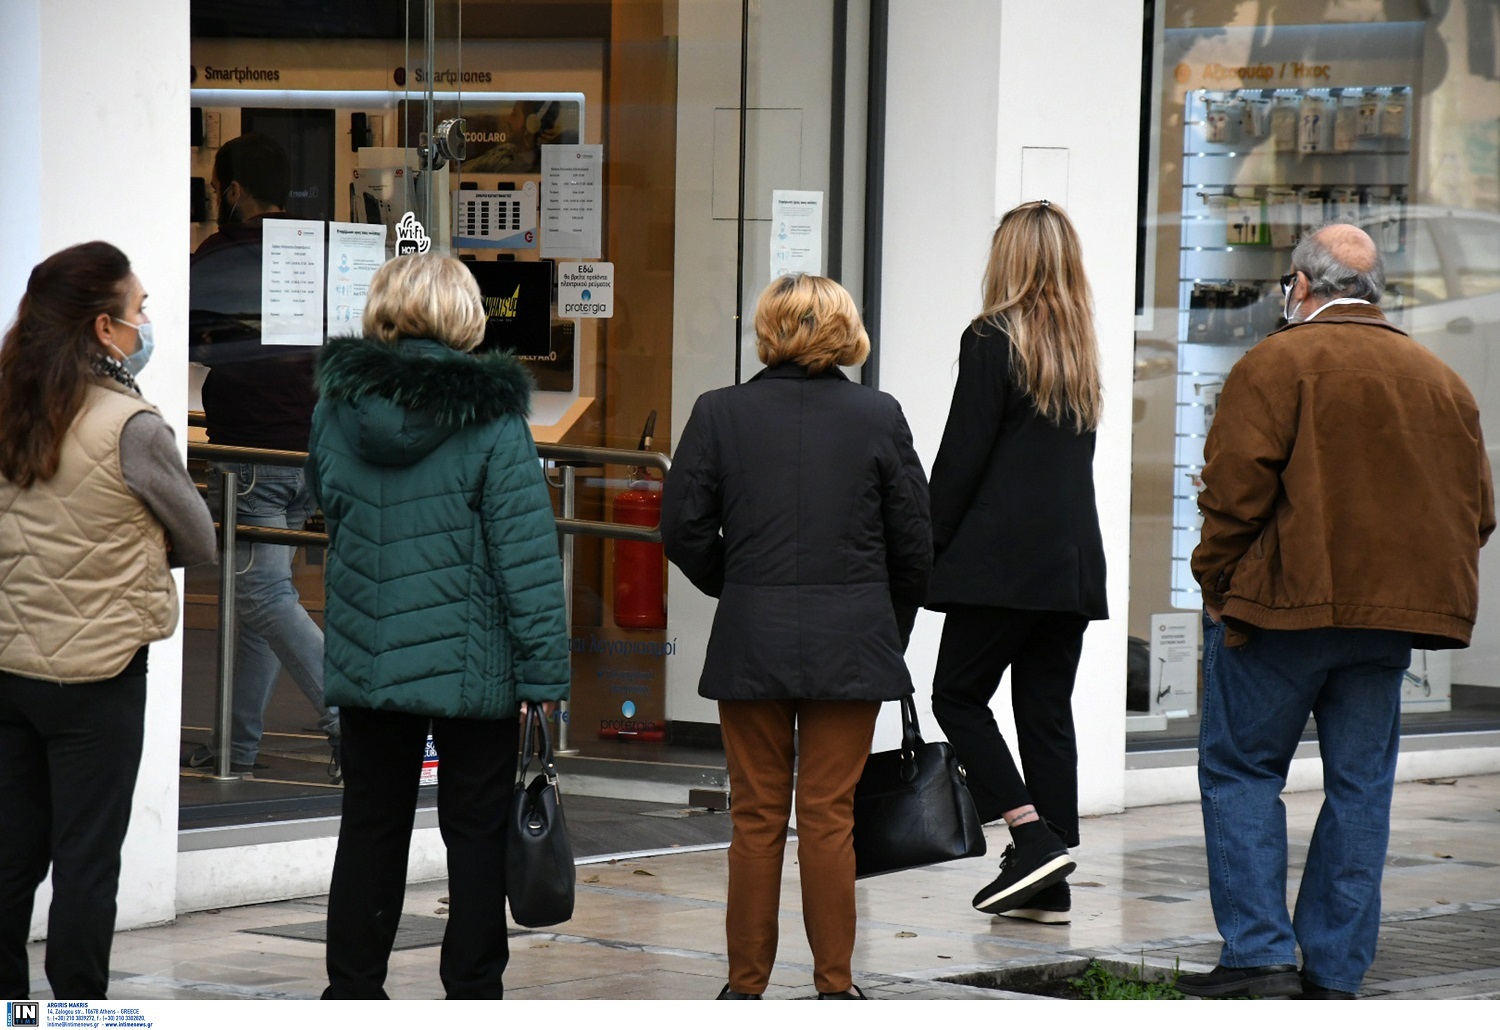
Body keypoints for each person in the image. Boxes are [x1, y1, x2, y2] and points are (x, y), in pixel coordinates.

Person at [1177, 223, 1494, 1000]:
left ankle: (1258, 957)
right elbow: (1479, 509)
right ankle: (1336, 970)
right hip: (1385, 624)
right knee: (1360, 787)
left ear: (1301, 287)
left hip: (1278, 611)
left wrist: (1217, 583)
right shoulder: (1438, 378)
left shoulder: (1276, 363)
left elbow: (1232, 495)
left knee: (1243, 772)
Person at [662, 274, 932, 1000]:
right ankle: (835, 986)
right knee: (828, 815)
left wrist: (739, 584)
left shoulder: (720, 413)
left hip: (752, 638)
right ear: (846, 332)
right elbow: (914, 547)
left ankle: (743, 988)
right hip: (853, 642)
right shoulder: (880, 416)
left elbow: (680, 529)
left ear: (768, 331)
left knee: (754, 817)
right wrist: (884, 626)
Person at [307, 252, 570, 1000]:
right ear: (464, 314)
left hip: (370, 655)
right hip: (471, 666)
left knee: (370, 830)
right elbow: (525, 559)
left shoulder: (336, 406)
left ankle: (352, 991)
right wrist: (544, 676)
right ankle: (472, 989)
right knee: (476, 833)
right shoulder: (490, 416)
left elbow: (329, 501)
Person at [0, 241, 216, 999]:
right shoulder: (133, 425)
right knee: (87, 860)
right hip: (100, 677)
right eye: (140, 309)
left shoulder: (7, 404)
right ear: (103, 328)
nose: (146, 322)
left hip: (8, 667)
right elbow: (200, 538)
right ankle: (77, 1014)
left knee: (10, 857)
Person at [925, 201, 1107, 925]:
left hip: (1000, 565)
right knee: (1044, 710)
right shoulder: (1079, 349)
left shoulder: (990, 338)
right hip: (1069, 568)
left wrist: (924, 546)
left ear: (1008, 260)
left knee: (957, 696)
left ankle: (1031, 839)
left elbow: (961, 461)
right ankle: (1050, 881)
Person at [186, 132, 340, 780]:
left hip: (252, 458)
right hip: (312, 449)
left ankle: (350, 720)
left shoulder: (222, 254)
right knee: (256, 607)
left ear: (234, 191)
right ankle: (236, 748)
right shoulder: (315, 252)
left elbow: (196, 338)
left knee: (264, 598)